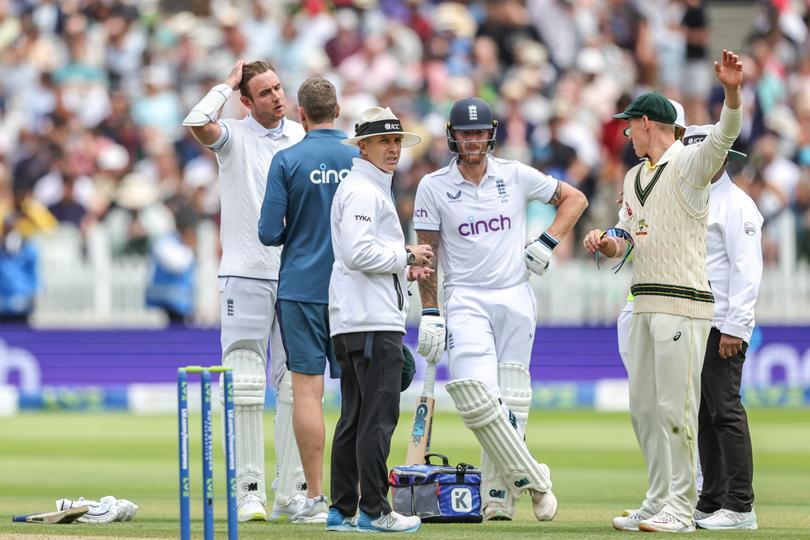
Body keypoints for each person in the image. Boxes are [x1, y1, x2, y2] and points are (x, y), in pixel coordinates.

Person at [584, 49, 744, 533]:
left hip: (684, 303)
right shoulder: (634, 177)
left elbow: (725, 135)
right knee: (645, 409)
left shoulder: (691, 164)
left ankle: (681, 506)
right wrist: (606, 243)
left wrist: (731, 91)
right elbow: (628, 240)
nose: (624, 134)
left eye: (629, 126)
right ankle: (657, 500)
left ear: (648, 123)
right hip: (644, 301)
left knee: (677, 407)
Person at [413, 97, 588, 521]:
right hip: (466, 298)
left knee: (512, 400)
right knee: (476, 396)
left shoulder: (515, 174)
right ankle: (536, 479)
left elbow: (575, 199)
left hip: (515, 295)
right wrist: (431, 312)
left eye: (478, 132)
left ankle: (497, 499)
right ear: (452, 136)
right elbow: (426, 254)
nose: (472, 141)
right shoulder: (434, 185)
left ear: (490, 133)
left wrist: (546, 242)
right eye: (464, 133)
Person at [182, 60, 306, 522]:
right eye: (265, 91)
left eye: (278, 87)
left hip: (295, 275)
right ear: (246, 100)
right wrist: (226, 83)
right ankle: (248, 490)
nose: (277, 96)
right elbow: (196, 122)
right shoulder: (233, 136)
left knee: (296, 382)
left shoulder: (300, 137)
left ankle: (291, 490)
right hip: (244, 271)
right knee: (246, 384)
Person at [327, 106, 433, 533]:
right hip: (369, 320)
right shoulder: (363, 190)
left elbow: (363, 255)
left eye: (396, 141)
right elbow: (356, 252)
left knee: (354, 415)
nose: (392, 149)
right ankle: (373, 510)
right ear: (363, 146)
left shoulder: (368, 187)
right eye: (383, 142)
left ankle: (342, 510)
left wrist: (401, 268)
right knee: (377, 414)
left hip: (358, 316)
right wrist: (405, 254)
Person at [258, 77, 357, 523]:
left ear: (301, 114)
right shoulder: (362, 156)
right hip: (354, 288)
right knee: (358, 394)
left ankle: (315, 498)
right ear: (338, 108)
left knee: (306, 392)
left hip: (301, 287)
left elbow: (266, 232)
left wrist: (294, 233)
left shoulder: (287, 158)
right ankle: (356, 497)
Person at [680, 124, 762, 530]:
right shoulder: (694, 199)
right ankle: (711, 500)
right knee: (703, 413)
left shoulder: (738, 205)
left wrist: (735, 327)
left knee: (725, 411)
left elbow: (747, 273)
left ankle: (740, 506)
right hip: (696, 322)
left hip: (721, 325)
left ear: (722, 158)